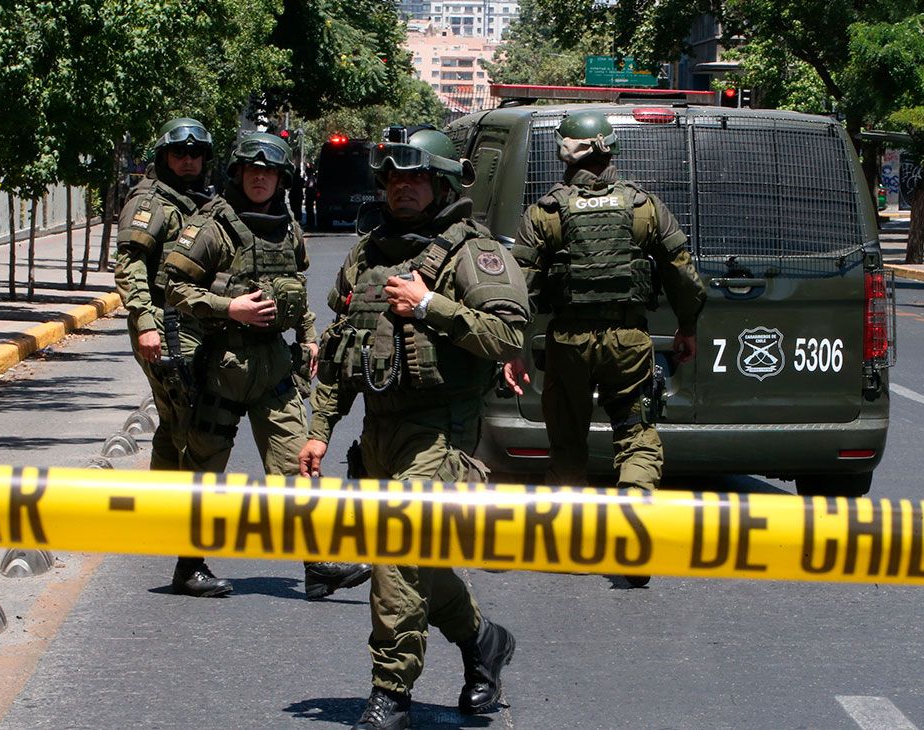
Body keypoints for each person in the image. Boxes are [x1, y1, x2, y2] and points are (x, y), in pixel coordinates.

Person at [298, 128, 527, 730]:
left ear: (444, 183)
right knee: (412, 559)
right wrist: (320, 429)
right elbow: (345, 347)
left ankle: (390, 693)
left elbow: (506, 336)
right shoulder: (368, 253)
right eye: (395, 177)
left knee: (397, 558)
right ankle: (483, 642)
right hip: (379, 434)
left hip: (441, 433)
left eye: (417, 177)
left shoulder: (473, 254)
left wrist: (430, 307)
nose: (404, 187)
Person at [163, 132, 371, 601]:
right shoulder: (212, 226)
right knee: (203, 472)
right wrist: (227, 307)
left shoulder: (288, 226)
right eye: (252, 170)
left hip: (274, 365)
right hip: (223, 364)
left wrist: (310, 337)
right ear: (238, 173)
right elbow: (173, 288)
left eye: (269, 171)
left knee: (298, 464)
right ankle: (188, 565)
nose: (260, 178)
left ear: (280, 178)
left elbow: (295, 288)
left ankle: (317, 565)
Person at [504, 109, 706, 495]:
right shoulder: (644, 206)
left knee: (566, 447)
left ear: (564, 154)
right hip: (628, 342)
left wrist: (512, 349)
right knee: (637, 436)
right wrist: (688, 326)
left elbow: (520, 290)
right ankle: (634, 515)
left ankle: (567, 533)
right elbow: (682, 274)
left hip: (568, 344)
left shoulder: (545, 213)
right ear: (611, 150)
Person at [114, 117, 231, 597]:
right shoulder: (151, 202)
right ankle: (189, 560)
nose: (188, 160)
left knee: (174, 426)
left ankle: (158, 517)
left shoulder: (199, 202)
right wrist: (144, 322)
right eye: (180, 153)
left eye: (196, 153)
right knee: (193, 433)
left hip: (198, 327)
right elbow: (130, 265)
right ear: (164, 157)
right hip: (168, 329)